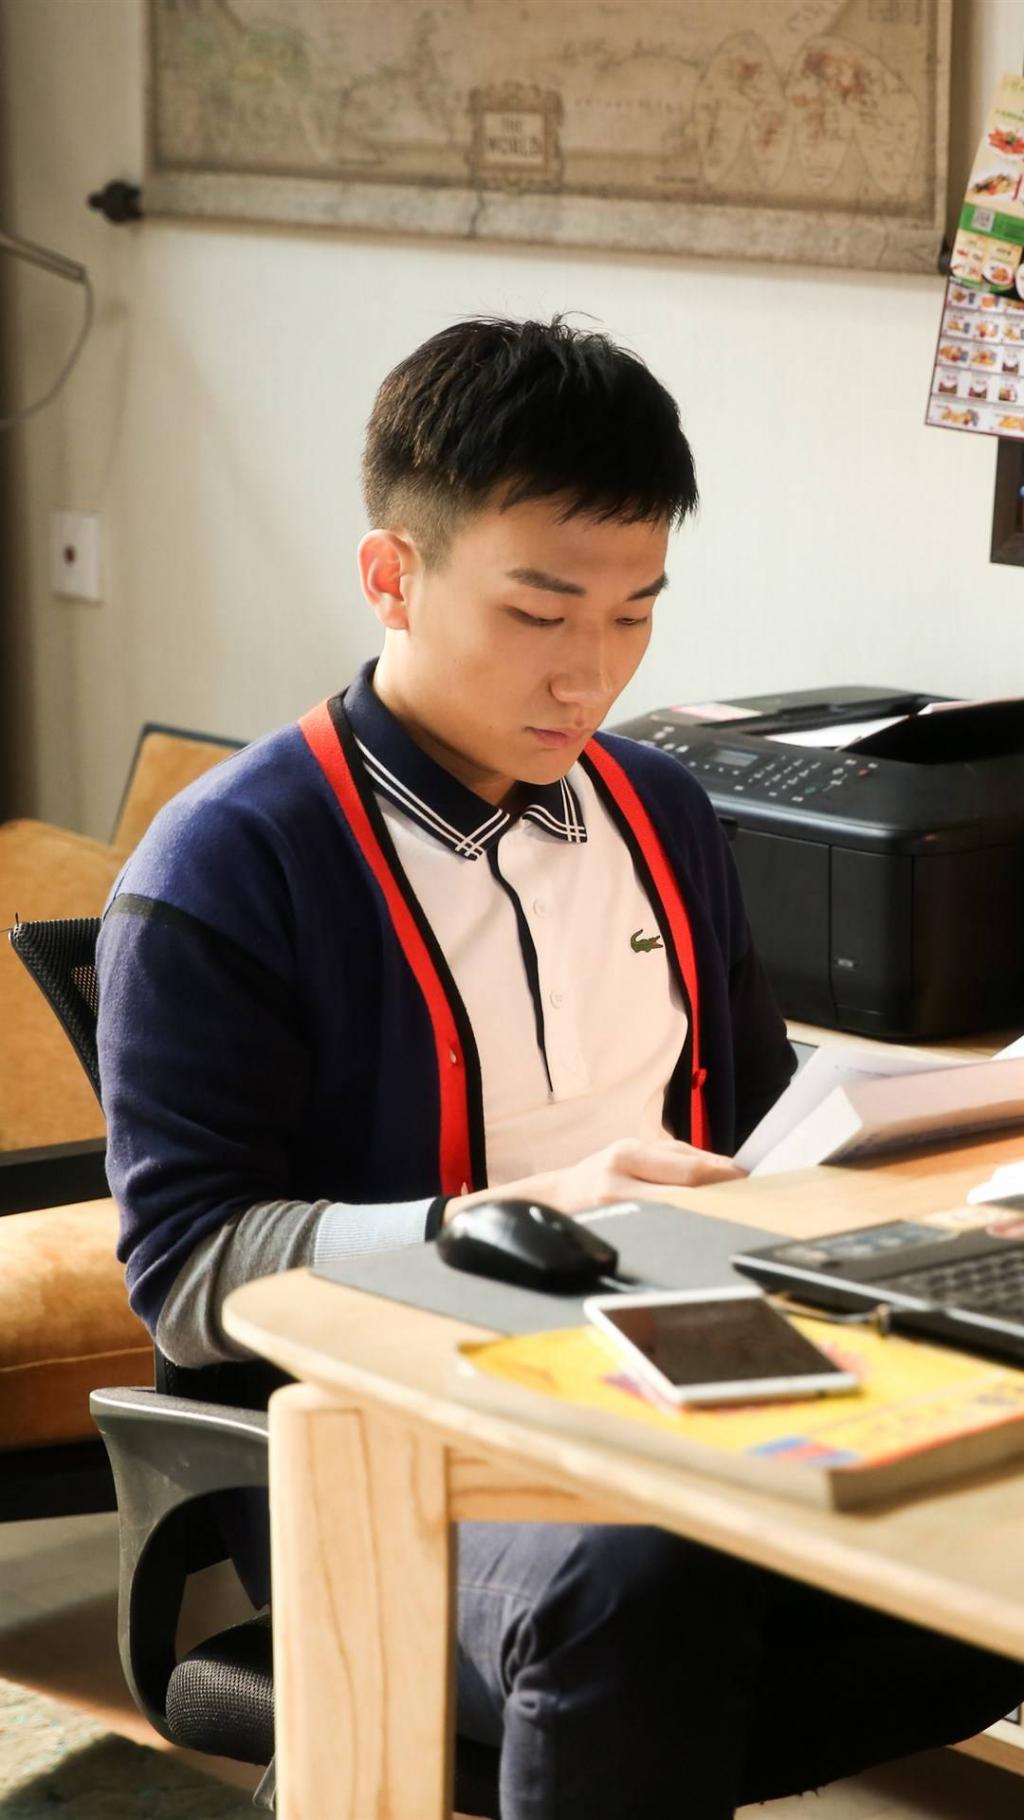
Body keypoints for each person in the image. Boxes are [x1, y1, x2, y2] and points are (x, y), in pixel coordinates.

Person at [96, 316, 1024, 1819]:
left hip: (677, 1372)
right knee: (633, 1585)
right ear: (392, 575)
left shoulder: (662, 809)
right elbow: (190, 1275)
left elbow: (756, 1138)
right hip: (382, 1441)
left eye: (636, 613)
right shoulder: (231, 863)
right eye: (540, 612)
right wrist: (490, 1221)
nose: (591, 672)